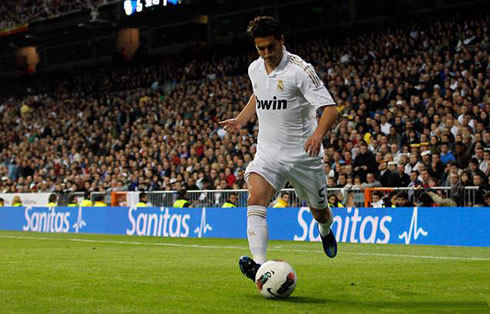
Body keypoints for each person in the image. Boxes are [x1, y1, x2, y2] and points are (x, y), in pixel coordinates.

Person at [219, 16, 338, 282]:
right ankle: (260, 267)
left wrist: (318, 135)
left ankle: (325, 227)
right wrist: (241, 118)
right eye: (260, 48)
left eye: (271, 46)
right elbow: (258, 93)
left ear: (282, 40)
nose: (266, 53)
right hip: (269, 153)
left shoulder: (300, 70)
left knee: (319, 210)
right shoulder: (255, 69)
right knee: (255, 198)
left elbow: (330, 109)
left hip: (303, 156)